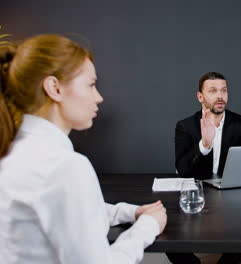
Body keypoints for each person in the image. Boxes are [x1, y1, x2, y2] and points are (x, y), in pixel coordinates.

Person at [0, 34, 167, 264]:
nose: (98, 97)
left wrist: (130, 212)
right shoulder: (64, 167)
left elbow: (67, 211)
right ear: (54, 88)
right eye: (91, 85)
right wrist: (148, 227)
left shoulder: (14, 155)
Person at [171, 72, 241, 264]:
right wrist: (204, 145)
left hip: (231, 199)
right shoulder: (185, 126)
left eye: (224, 90)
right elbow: (183, 170)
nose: (220, 96)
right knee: (171, 242)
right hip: (197, 196)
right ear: (200, 96)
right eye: (213, 91)